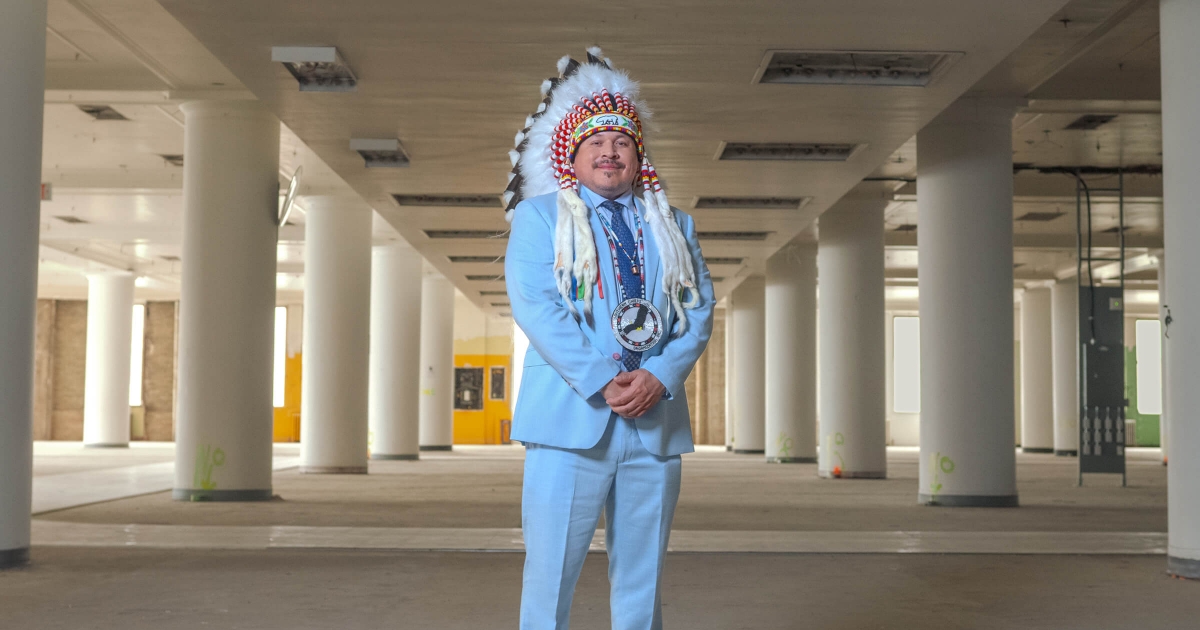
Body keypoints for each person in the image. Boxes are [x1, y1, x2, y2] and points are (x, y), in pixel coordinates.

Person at [503, 48, 715, 630]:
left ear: (638, 156)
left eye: (622, 142)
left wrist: (659, 375)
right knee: (550, 576)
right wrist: (604, 380)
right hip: (569, 422)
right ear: (572, 155)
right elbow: (537, 308)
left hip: (654, 423)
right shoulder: (540, 218)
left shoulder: (675, 224)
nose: (609, 151)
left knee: (643, 582)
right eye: (595, 141)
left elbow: (698, 311)